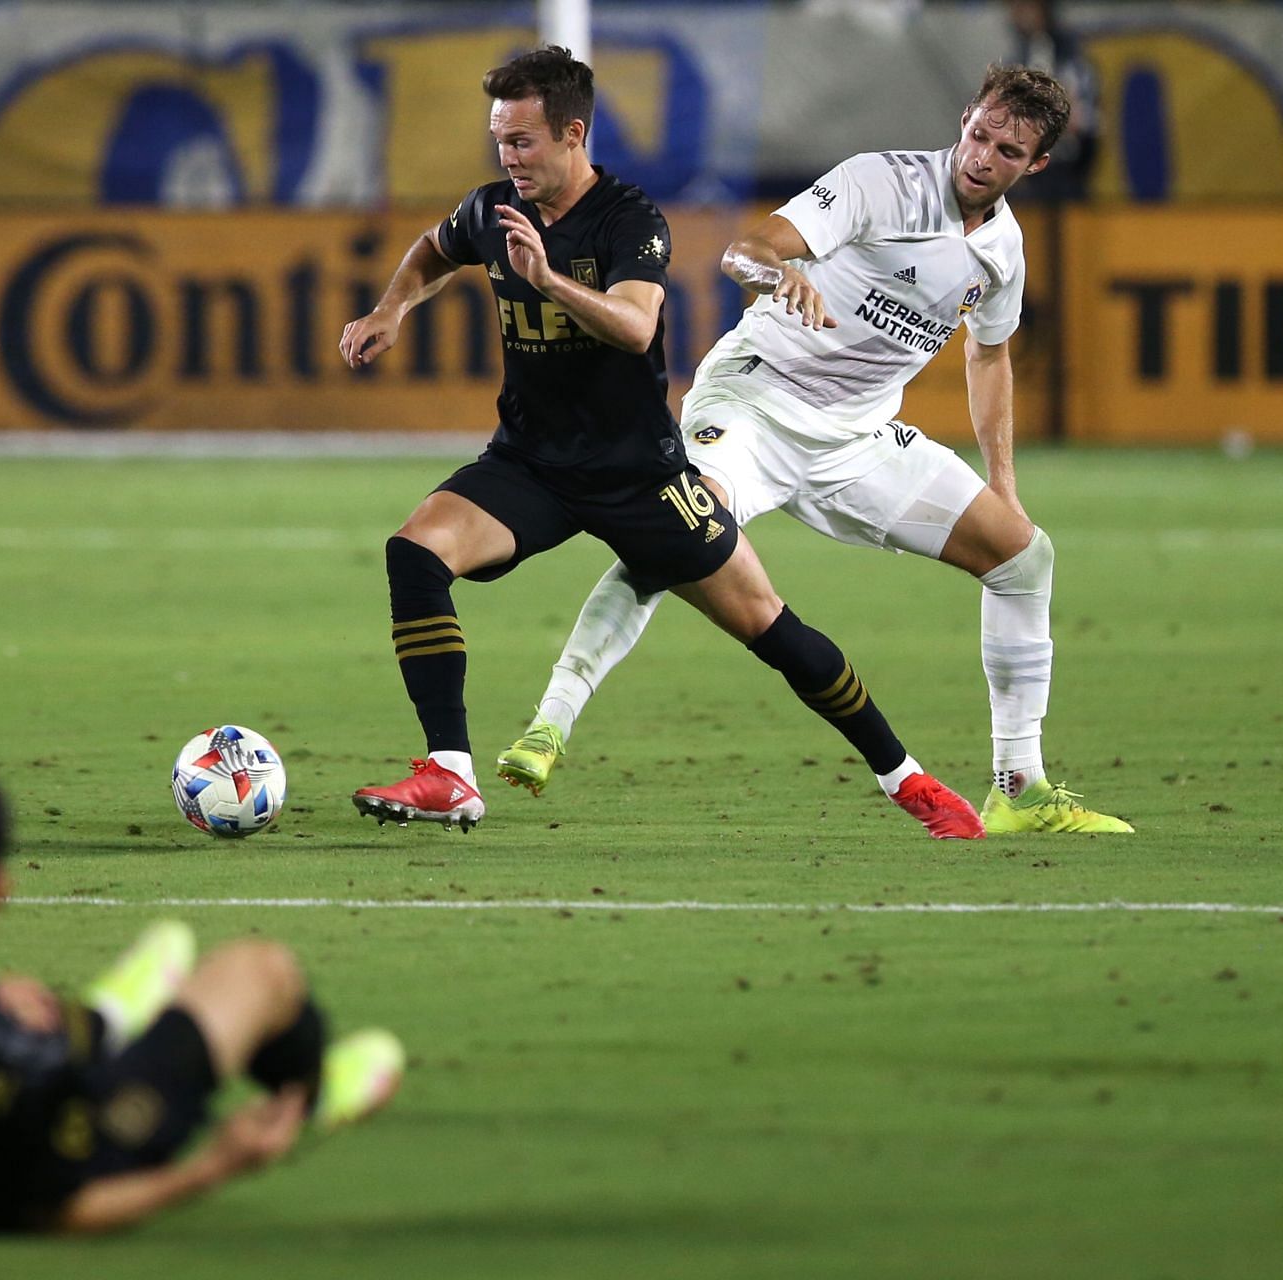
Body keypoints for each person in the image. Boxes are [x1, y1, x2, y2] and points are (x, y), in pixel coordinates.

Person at [342, 46, 983, 840]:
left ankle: (907, 779)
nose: (508, 159)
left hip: (641, 476)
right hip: (532, 465)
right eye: (500, 140)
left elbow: (636, 324)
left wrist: (547, 282)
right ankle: (450, 773)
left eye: (523, 142)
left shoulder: (630, 220)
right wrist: (391, 310)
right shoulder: (490, 210)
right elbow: (435, 251)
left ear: (573, 134)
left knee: (771, 629)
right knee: (415, 552)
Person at [497, 64, 1132, 835]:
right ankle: (550, 724)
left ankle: (1019, 786)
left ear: (1034, 165)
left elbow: (989, 354)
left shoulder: (1001, 250)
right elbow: (748, 248)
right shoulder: (880, 182)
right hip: (757, 404)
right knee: (676, 533)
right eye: (978, 133)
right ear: (964, 118)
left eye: (1006, 151)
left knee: (1023, 557)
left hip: (858, 440)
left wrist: (1003, 481)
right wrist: (781, 273)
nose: (980, 156)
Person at [0, 765, 404, 1234]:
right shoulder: (29, 1062)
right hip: (95, 1128)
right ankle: (306, 1098)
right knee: (262, 970)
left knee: (64, 1025)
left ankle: (106, 1019)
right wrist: (214, 1166)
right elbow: (68, 1210)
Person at [1005, 0, 1097, 204]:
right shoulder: (1021, 54)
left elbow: (1082, 116)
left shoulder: (1064, 57)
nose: (1015, 15)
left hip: (1064, 163)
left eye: (1023, 8)